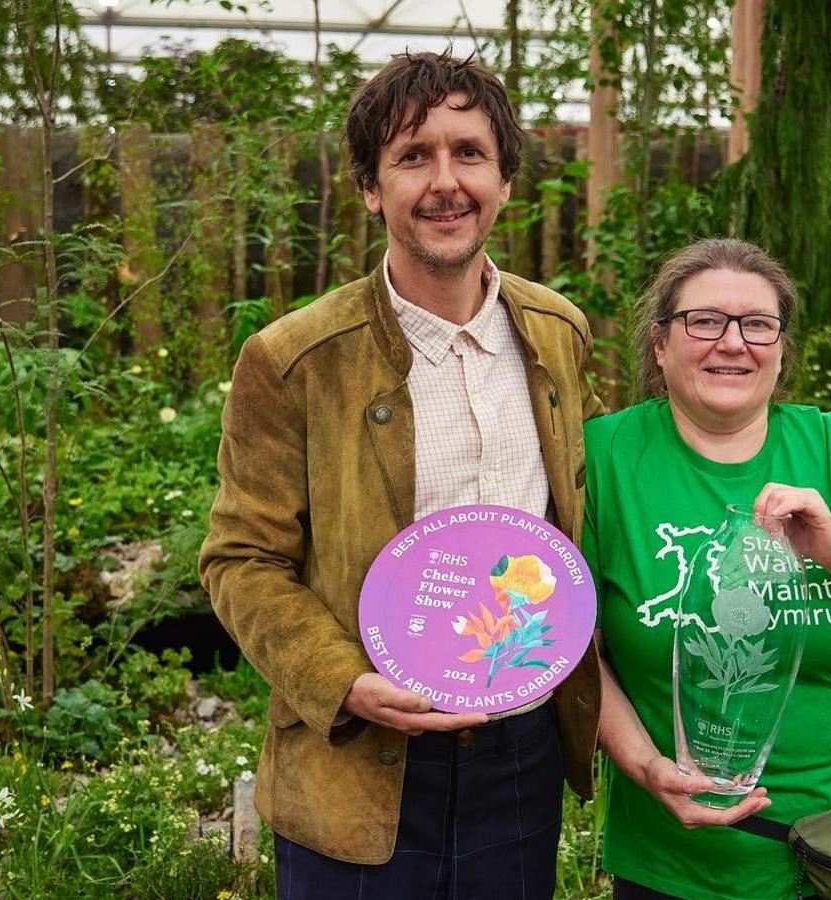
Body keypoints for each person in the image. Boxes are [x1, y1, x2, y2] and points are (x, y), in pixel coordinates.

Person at [199, 50, 603, 899]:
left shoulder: (557, 335)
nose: (444, 181)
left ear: (504, 180)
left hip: (519, 750)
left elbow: (584, 516)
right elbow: (240, 560)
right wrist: (344, 682)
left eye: (469, 153)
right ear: (371, 188)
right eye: (413, 156)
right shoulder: (293, 359)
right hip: (357, 759)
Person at [582, 238, 831, 900]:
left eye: (757, 324)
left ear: (781, 347)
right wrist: (645, 766)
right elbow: (571, 649)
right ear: (659, 344)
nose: (732, 343)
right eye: (704, 321)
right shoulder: (605, 460)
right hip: (673, 863)